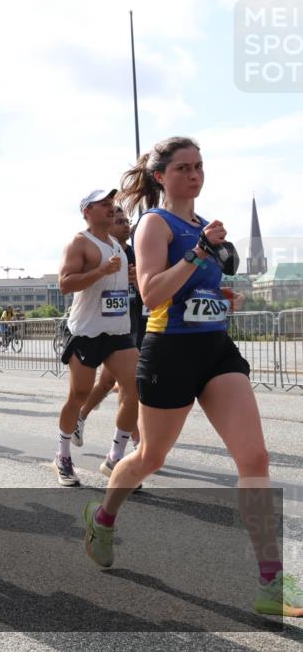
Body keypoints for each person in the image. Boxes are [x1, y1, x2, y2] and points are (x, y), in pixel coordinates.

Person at [83, 136, 303, 616]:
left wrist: (220, 295)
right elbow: (153, 293)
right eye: (183, 167)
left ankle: (270, 582)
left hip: (216, 351)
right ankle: (104, 515)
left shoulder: (203, 226)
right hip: (170, 354)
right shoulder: (153, 225)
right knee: (150, 458)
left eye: (199, 166)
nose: (194, 174)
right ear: (161, 176)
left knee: (255, 458)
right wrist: (199, 252)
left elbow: (194, 286)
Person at [54, 189, 138, 487]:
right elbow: (64, 283)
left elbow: (112, 284)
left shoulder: (117, 244)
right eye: (104, 204)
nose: (111, 208)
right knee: (79, 394)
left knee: (134, 388)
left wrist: (125, 278)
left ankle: (116, 458)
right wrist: (102, 270)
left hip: (117, 331)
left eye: (112, 204)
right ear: (87, 211)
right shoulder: (80, 242)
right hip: (86, 330)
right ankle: (63, 455)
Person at [75, 206, 144, 462]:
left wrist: (137, 280)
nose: (125, 225)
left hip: (134, 325)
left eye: (127, 221)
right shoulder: (102, 250)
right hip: (104, 329)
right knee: (121, 385)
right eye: (119, 221)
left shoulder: (136, 253)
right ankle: (131, 443)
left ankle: (83, 419)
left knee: (116, 384)